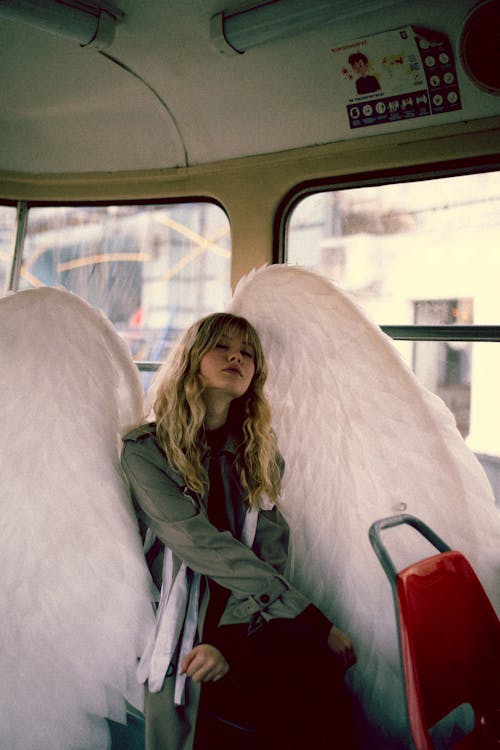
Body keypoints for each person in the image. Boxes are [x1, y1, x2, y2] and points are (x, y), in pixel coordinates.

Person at [121, 312, 358, 750]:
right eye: (222, 347)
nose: (237, 357)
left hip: (243, 613)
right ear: (192, 359)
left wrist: (229, 642)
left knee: (322, 672)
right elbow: (201, 545)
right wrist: (309, 617)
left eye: (248, 353)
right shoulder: (146, 452)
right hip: (180, 608)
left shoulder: (260, 456)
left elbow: (271, 552)